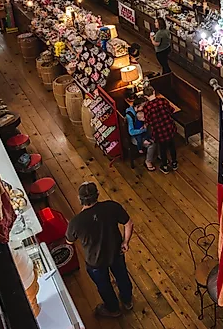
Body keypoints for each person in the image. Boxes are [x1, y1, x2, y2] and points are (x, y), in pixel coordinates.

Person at [66, 182, 134, 318]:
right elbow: (128, 223)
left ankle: (113, 309)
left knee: (104, 285)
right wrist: (125, 242)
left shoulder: (76, 222)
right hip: (116, 252)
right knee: (122, 276)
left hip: (95, 260)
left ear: (80, 199)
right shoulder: (112, 206)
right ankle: (127, 301)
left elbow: (69, 241)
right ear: (97, 195)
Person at [139, 85, 177, 173]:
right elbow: (172, 110)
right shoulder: (162, 101)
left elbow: (147, 120)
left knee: (162, 149)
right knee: (172, 146)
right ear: (154, 92)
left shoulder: (147, 108)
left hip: (159, 131)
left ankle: (165, 166)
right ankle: (174, 163)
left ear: (145, 96)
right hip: (169, 127)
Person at [125, 95, 155, 168]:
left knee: (157, 136)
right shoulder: (130, 116)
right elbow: (131, 132)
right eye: (143, 106)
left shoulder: (139, 112)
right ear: (137, 106)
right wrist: (144, 129)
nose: (144, 108)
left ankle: (159, 155)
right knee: (152, 144)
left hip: (143, 132)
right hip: (135, 136)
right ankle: (148, 161)